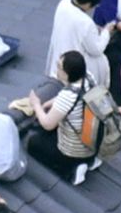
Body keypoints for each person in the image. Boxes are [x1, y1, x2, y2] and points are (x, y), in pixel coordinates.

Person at [26, 51, 101, 186]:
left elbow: (47, 124)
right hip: (93, 139)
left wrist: (36, 104)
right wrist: (50, 103)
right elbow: (72, 99)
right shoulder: (88, 78)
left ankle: (72, 168)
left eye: (59, 67)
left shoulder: (68, 96)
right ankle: (91, 159)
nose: (57, 69)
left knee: (34, 143)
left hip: (73, 150)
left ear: (67, 73)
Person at [45, 0, 110, 90]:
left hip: (57, 63)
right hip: (73, 68)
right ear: (89, 4)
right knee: (102, 60)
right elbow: (96, 49)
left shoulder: (63, 3)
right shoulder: (86, 22)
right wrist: (106, 32)